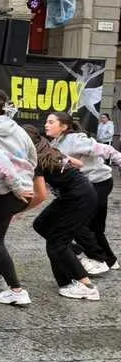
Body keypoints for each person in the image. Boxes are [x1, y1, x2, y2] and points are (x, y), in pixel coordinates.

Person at [22, 125, 101, 301]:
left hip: (79, 198)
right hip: (76, 193)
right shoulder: (50, 149)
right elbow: (79, 164)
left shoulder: (37, 158)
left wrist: (18, 211)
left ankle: (86, 286)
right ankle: (72, 256)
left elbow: (40, 195)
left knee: (55, 243)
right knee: (41, 225)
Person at [0, 89, 38, 306]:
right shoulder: (16, 127)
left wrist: (16, 185)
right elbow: (33, 155)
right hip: (19, 189)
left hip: (10, 191)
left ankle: (16, 290)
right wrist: (25, 178)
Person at [45, 111, 121, 274]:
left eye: (51, 122)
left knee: (80, 223)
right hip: (86, 185)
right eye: (47, 121)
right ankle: (110, 260)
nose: (46, 124)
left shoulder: (75, 139)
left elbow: (106, 150)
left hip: (99, 182)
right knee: (95, 227)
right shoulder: (54, 144)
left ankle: (97, 258)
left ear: (63, 126)